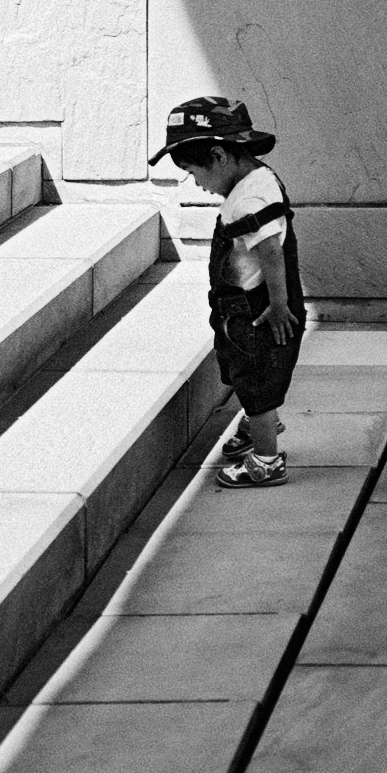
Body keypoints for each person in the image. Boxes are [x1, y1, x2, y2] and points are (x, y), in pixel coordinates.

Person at [151, 96, 302, 489]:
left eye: (193, 172)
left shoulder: (250, 199)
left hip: (260, 309)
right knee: (244, 370)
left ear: (219, 155)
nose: (196, 183)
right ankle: (260, 425)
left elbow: (271, 252)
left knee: (257, 379)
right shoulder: (254, 180)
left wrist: (279, 305)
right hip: (242, 306)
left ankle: (267, 460)